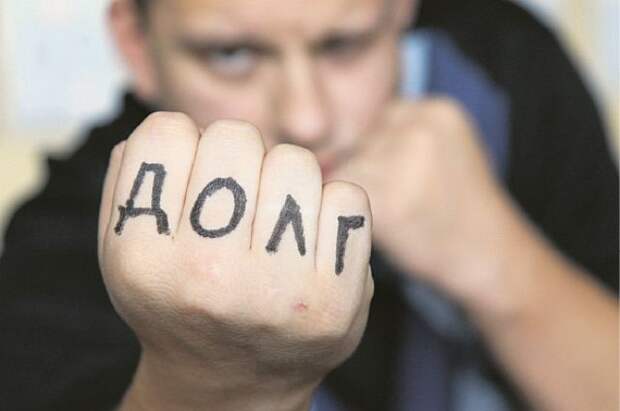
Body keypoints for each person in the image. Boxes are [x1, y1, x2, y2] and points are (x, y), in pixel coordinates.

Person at [0, 0, 617, 410]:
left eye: (344, 45)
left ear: (402, 8)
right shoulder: (84, 226)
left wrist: (501, 265)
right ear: (136, 43)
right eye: (231, 55)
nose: (307, 118)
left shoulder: (506, 73)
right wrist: (211, 380)